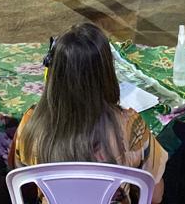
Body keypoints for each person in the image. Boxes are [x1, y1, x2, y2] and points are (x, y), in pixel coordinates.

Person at [10, 23, 166, 203]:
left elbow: (20, 178)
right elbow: (155, 196)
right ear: (106, 72)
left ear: (53, 73)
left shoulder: (31, 123)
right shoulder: (132, 126)